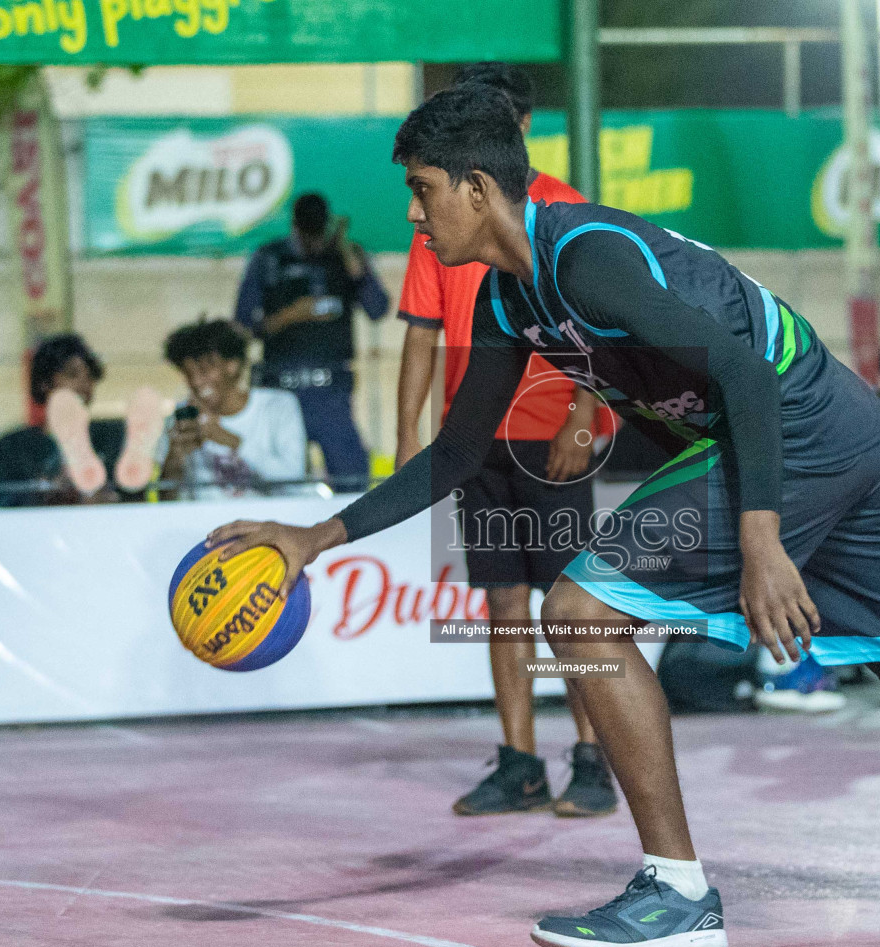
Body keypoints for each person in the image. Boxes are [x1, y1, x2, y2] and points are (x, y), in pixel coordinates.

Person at [210, 86, 880, 947]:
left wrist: (761, 540)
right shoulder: (510, 296)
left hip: (793, 426)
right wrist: (312, 540)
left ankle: (676, 892)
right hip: (836, 431)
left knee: (580, 614)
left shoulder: (585, 258)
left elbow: (744, 373)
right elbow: (460, 452)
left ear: (475, 187)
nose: (412, 215)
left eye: (422, 191)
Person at [395, 62, 615, 817]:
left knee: (571, 604)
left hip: (550, 432)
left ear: (519, 126)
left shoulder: (561, 209)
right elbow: (420, 334)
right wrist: (406, 441)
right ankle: (520, 761)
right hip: (474, 435)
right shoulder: (440, 210)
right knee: (504, 604)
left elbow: (601, 329)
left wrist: (582, 415)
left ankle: (593, 757)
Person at [234, 192, 390, 492]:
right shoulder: (269, 258)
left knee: (352, 481)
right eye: (307, 232)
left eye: (318, 231)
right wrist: (289, 316)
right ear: (294, 226)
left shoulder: (346, 256)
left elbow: (378, 309)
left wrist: (354, 265)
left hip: (332, 392)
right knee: (280, 482)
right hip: (280, 390)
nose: (313, 241)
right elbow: (240, 327)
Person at [159, 320, 308, 499]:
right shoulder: (183, 417)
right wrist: (175, 456)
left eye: (204, 370)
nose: (196, 382)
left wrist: (228, 439)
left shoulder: (278, 406)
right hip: (206, 525)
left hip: (270, 523)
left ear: (233, 365)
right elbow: (165, 499)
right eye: (189, 374)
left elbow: (294, 484)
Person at [0, 334, 127, 506]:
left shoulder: (111, 437)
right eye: (72, 374)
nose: (84, 384)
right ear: (45, 383)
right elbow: (3, 503)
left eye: (89, 376)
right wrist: (47, 492)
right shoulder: (13, 447)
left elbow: (133, 495)